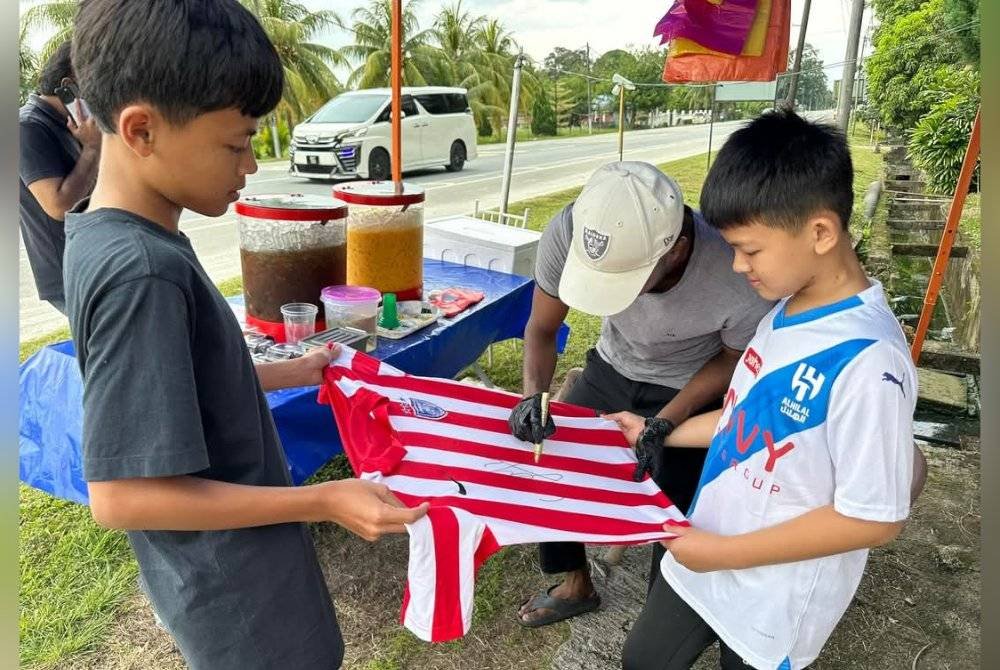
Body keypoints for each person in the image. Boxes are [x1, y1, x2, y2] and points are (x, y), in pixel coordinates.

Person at [64, 2, 427, 668]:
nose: (251, 166)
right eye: (237, 143)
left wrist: (292, 370)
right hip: (239, 600)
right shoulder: (143, 272)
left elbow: (171, 384)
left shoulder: (109, 234)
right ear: (142, 129)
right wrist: (323, 498)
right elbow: (122, 495)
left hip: (221, 572)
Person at [612, 110, 920, 670]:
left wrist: (722, 554)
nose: (736, 265)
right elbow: (743, 418)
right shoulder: (779, 314)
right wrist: (661, 431)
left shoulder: (869, 360)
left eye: (749, 250)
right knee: (642, 660)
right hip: (705, 551)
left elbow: (876, 517)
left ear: (821, 233)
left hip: (775, 597)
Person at [508, 161, 775, 626]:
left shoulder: (735, 271)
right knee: (549, 458)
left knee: (676, 499)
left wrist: (665, 421)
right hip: (614, 363)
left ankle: (662, 608)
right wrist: (535, 396)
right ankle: (575, 582)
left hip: (693, 379)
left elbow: (732, 360)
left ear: (676, 251)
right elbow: (542, 327)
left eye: (627, 279)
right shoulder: (572, 229)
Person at [19, 40, 101, 315]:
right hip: (69, 272)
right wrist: (92, 149)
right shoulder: (27, 127)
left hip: (93, 258)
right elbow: (57, 205)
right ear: (69, 85)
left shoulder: (72, 123)